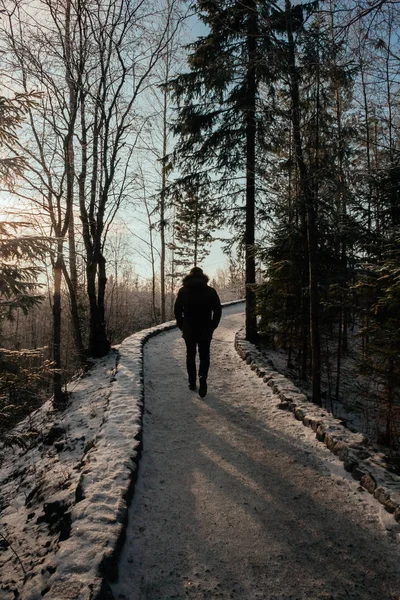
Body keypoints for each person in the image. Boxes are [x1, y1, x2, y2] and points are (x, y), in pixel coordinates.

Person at [174, 266, 222, 397]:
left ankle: (192, 382)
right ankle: (202, 377)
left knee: (190, 354)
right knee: (204, 355)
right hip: (205, 328)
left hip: (189, 329)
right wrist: (213, 326)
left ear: (190, 276)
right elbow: (217, 310)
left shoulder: (183, 291)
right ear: (203, 277)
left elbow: (177, 310)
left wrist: (181, 326)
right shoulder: (210, 291)